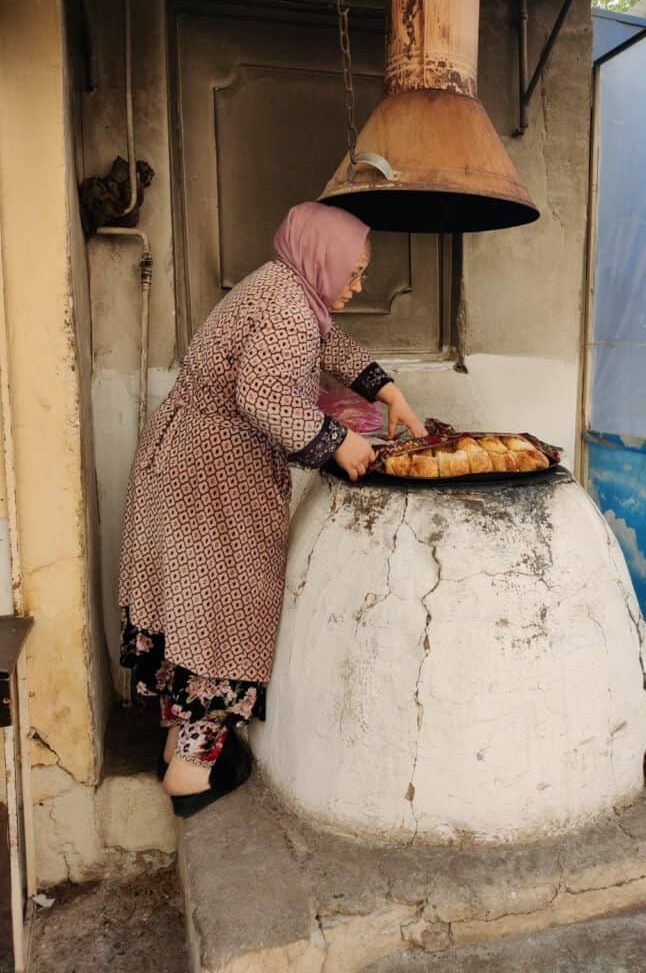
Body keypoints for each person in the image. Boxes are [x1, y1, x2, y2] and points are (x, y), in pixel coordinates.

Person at [118, 202, 426, 816]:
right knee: (223, 616)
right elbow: (261, 396)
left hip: (186, 466)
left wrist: (387, 391)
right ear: (321, 259)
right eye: (354, 271)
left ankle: (180, 746)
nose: (357, 285)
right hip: (214, 481)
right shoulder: (288, 307)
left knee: (189, 607)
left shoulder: (284, 285)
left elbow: (326, 343)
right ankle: (190, 775)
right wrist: (342, 444)